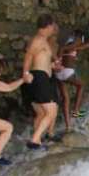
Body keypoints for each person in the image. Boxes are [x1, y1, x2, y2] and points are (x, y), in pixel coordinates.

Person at [21, 14, 60, 149]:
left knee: (42, 113)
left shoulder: (43, 41)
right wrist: (25, 73)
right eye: (52, 26)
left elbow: (41, 61)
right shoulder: (38, 40)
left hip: (41, 77)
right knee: (52, 111)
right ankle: (35, 140)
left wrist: (52, 66)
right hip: (39, 78)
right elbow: (28, 57)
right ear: (48, 26)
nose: (53, 29)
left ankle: (39, 140)